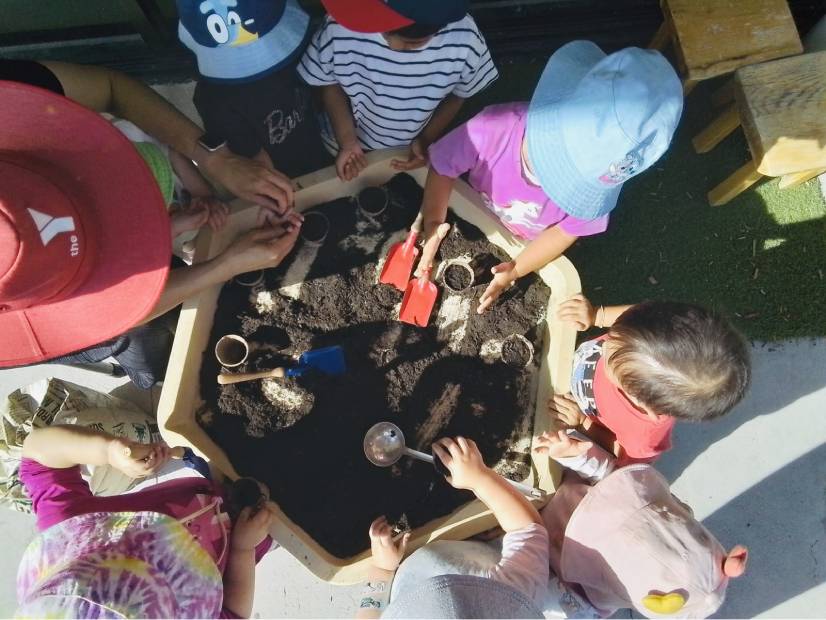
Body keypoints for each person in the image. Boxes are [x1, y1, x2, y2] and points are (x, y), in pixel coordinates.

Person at [0, 61, 302, 380]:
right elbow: (111, 315)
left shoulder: (13, 94)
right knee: (138, 339)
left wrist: (216, 159)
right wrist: (223, 266)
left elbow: (112, 88)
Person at [416, 40, 683, 313]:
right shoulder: (493, 128)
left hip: (530, 240)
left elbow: (565, 231)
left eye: (570, 181)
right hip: (476, 204)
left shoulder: (600, 183)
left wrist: (517, 267)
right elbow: (443, 165)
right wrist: (435, 221)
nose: (549, 180)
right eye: (555, 162)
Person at [16, 424, 274, 618]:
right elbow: (232, 613)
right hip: (258, 536)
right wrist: (243, 550)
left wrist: (109, 451)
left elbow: (38, 453)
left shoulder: (69, 527)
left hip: (215, 487)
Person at [535, 430, 749, 618]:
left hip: (554, 570)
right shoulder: (647, 503)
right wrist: (574, 454)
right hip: (559, 498)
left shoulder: (572, 601)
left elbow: (519, 588)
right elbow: (609, 473)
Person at [297, 0, 498, 181]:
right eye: (383, 30)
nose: (393, 46)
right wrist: (347, 140)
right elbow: (328, 82)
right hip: (340, 140)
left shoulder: (465, 39)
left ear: (441, 26)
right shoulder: (339, 27)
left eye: (413, 43)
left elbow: (459, 95)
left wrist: (426, 139)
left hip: (410, 148)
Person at [356, 437, 549, 618]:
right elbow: (527, 529)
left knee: (409, 520)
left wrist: (382, 568)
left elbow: (371, 607)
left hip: (415, 554)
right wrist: (480, 478)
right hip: (484, 546)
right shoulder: (518, 598)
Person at [549, 295, 751, 464]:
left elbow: (622, 457)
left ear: (641, 402)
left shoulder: (643, 436)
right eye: (615, 335)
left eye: (611, 358)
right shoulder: (645, 332)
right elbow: (635, 316)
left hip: (578, 411)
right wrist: (596, 315)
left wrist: (583, 423)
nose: (604, 344)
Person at [177, 0, 333, 178]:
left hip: (332, 149)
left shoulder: (212, 98)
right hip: (287, 181)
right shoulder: (213, 101)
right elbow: (259, 165)